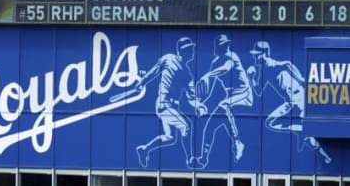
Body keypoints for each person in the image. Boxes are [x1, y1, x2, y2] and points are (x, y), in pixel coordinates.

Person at [248, 41, 332, 164]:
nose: (253, 56)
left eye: (256, 54)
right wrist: (251, 78)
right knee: (269, 122)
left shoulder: (281, 65)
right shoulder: (263, 72)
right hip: (289, 103)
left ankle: (325, 155)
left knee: (310, 137)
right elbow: (258, 91)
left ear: (264, 54)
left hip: (300, 99)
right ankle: (301, 130)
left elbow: (301, 78)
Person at [134, 37, 198, 168]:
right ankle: (190, 160)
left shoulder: (187, 73)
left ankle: (145, 149)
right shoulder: (168, 58)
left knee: (170, 138)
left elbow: (192, 96)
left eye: (191, 48)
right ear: (181, 50)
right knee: (187, 126)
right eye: (188, 49)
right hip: (164, 104)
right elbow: (154, 71)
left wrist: (198, 104)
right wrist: (142, 82)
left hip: (172, 107)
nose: (191, 51)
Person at [193, 35, 253, 168]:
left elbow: (226, 67)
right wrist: (201, 104)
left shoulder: (232, 56)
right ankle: (203, 158)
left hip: (244, 94)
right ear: (217, 47)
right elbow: (211, 90)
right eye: (223, 45)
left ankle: (237, 142)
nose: (226, 47)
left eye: (227, 44)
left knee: (223, 105)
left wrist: (208, 75)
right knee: (209, 127)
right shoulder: (215, 63)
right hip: (230, 97)